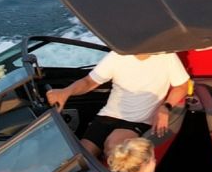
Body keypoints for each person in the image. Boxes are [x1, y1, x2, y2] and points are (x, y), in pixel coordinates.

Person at [48, 49, 189, 158]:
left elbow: (182, 86)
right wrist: (66, 92)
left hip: (138, 121)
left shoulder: (166, 56)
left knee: (114, 147)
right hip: (107, 116)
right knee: (80, 157)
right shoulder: (117, 55)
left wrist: (165, 107)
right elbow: (89, 82)